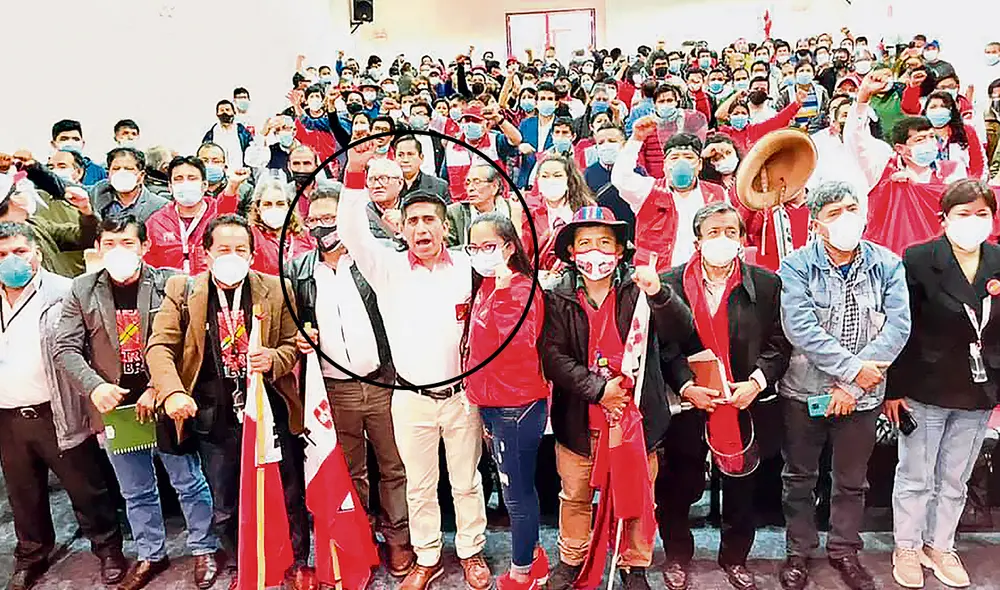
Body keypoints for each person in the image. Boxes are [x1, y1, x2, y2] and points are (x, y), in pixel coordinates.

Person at [339, 138, 492, 590]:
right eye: (413, 221)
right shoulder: (386, 268)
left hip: (462, 397)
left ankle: (471, 551)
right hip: (410, 399)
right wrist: (354, 171)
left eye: (429, 220)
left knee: (466, 482)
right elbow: (351, 229)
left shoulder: (467, 267)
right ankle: (427, 557)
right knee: (419, 485)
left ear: (446, 227)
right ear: (401, 228)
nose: (421, 228)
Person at [53, 215, 220, 590]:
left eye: (127, 243)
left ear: (145, 246)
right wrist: (95, 387)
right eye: (109, 244)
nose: (118, 251)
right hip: (116, 409)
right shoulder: (82, 289)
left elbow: (190, 343)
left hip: (165, 402)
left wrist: (160, 386)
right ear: (98, 248)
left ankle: (204, 547)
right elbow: (65, 347)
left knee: (188, 481)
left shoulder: (172, 283)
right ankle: (151, 553)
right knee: (135, 489)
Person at [146, 214, 305, 589]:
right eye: (223, 249)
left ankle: (297, 561)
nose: (232, 256)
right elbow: (159, 346)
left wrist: (275, 359)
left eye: (240, 249)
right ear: (206, 254)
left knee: (288, 492)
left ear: (251, 255)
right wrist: (173, 391)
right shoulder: (183, 290)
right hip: (212, 414)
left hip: (269, 409)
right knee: (225, 498)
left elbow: (292, 344)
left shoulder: (276, 288)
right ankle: (239, 562)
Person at [541, 206, 694, 590]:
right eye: (585, 243)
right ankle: (572, 558)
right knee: (574, 496)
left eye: (604, 243)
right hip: (579, 420)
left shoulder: (641, 288)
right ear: (572, 251)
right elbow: (553, 357)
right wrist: (598, 390)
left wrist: (659, 292)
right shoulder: (556, 296)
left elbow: (681, 330)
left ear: (620, 249)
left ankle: (634, 563)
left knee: (637, 496)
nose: (595, 252)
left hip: (637, 418)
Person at [777, 181, 911, 590]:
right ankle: (798, 551)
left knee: (852, 481)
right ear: (816, 223)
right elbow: (801, 329)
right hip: (804, 393)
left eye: (852, 209)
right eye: (834, 213)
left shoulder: (887, 264)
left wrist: (851, 388)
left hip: (863, 398)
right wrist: (853, 371)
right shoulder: (796, 266)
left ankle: (844, 550)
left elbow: (897, 328)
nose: (846, 219)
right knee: (799, 478)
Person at [656, 202, 791, 590]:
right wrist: (686, 385)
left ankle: (735, 558)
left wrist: (756, 383)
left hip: (742, 401)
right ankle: (677, 555)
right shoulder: (669, 284)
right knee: (679, 485)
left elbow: (780, 344)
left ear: (742, 239)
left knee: (741, 487)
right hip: (688, 402)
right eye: (713, 232)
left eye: (731, 232)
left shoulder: (766, 284)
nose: (722, 239)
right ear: (697, 241)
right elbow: (664, 346)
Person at [287, 185, 414, 577]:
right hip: (333, 389)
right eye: (316, 219)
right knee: (350, 471)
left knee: (394, 466)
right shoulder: (298, 270)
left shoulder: (371, 261)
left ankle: (398, 538)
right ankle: (360, 539)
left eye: (331, 217)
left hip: (382, 381)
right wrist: (300, 338)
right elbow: (291, 326)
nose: (323, 225)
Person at [884, 180, 1000, 589]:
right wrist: (893, 389)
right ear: (944, 218)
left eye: (982, 213)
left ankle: (940, 545)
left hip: (980, 387)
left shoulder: (998, 260)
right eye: (963, 213)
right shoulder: (918, 259)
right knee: (916, 475)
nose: (973, 221)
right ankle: (907, 547)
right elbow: (902, 329)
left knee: (954, 478)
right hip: (925, 385)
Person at [0, 221, 126, 590]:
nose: (11, 260)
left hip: (58, 410)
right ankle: (31, 555)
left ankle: (108, 550)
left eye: (20, 251)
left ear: (37, 253)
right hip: (8, 415)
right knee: (23, 493)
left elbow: (84, 349)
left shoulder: (64, 291)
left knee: (87, 489)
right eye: (2, 254)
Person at [463, 213, 549, 590]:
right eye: (474, 247)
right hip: (494, 402)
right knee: (517, 488)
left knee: (516, 493)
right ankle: (534, 558)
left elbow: (517, 344)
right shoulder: (487, 285)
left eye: (489, 246)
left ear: (510, 247)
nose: (481, 254)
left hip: (516, 405)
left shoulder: (518, 288)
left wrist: (501, 296)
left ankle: (522, 572)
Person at [846, 71, 968, 255]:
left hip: (939, 259)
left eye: (931, 137)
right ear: (900, 148)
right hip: (890, 258)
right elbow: (856, 139)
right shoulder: (882, 171)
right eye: (920, 139)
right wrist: (863, 98)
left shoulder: (952, 172)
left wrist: (916, 186)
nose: (929, 143)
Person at [612, 123, 726, 272]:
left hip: (702, 275)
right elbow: (620, 178)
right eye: (674, 158)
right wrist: (636, 139)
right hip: (657, 277)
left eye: (688, 157)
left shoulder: (716, 194)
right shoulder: (648, 191)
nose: (681, 163)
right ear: (664, 165)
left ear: (699, 165)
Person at [0, 168, 98, 278]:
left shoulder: (35, 224)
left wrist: (86, 212)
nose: (25, 195)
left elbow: (84, 238)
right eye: (18, 193)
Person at [522, 155, 595, 282]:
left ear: (569, 179)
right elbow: (521, 251)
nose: (551, 181)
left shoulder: (587, 209)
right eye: (545, 176)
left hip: (576, 279)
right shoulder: (527, 210)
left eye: (557, 175)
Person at [143, 156, 220, 274]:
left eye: (192, 178)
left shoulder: (218, 214)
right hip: (169, 284)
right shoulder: (156, 223)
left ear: (204, 185)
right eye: (178, 179)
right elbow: (148, 267)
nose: (185, 184)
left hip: (211, 283)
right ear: (170, 187)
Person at [233, 178, 314, 276]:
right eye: (267, 204)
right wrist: (232, 187)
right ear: (258, 208)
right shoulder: (251, 235)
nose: (274, 209)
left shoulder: (304, 235)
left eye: (280, 204)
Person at [808, 98, 871, 211]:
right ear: (834, 120)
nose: (850, 120)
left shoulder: (879, 148)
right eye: (846, 115)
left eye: (854, 116)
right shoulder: (816, 142)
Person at [637, 85, 710, 179]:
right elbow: (640, 152)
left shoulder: (688, 119)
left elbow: (704, 120)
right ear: (655, 104)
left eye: (669, 100)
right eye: (661, 101)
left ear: (676, 102)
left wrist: (699, 94)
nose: (666, 104)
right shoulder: (647, 124)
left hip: (684, 176)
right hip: (654, 179)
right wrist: (645, 175)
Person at [584, 125, 640, 242]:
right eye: (601, 142)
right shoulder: (588, 174)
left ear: (624, 144)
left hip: (633, 235)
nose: (606, 145)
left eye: (612, 141)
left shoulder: (636, 171)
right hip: (602, 237)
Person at [920, 91, 988, 180]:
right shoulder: (919, 134)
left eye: (943, 106)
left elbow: (978, 161)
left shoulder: (966, 131)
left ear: (951, 110)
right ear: (926, 111)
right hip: (927, 185)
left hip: (962, 185)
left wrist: (975, 182)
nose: (938, 110)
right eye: (933, 107)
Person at [90, 147, 169, 223]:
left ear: (141, 175)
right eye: (116, 168)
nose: (121, 173)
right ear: (108, 174)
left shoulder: (159, 206)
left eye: (128, 169)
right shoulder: (97, 193)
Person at [446, 164, 514, 247]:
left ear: (494, 187)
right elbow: (448, 249)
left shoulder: (513, 209)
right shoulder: (454, 213)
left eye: (477, 182)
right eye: (468, 183)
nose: (470, 188)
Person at [517, 82, 560, 188]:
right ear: (536, 103)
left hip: (551, 182)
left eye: (550, 99)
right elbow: (513, 148)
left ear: (556, 104)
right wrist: (520, 147)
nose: (546, 102)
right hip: (526, 181)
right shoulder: (525, 124)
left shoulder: (561, 127)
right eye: (542, 99)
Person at [50, 119, 107, 186]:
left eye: (76, 139)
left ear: (82, 143)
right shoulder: (47, 170)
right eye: (64, 139)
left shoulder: (98, 171)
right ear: (53, 144)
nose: (70, 142)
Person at [395, 134, 450, 203]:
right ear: (394, 158)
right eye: (400, 155)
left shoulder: (439, 186)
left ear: (421, 158)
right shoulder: (387, 185)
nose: (405, 160)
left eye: (410, 154)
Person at [777, 61, 829, 132]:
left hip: (816, 131)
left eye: (808, 71)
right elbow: (779, 113)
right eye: (801, 71)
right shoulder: (786, 93)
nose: (805, 73)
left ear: (813, 74)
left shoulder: (821, 91)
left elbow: (826, 111)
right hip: (793, 132)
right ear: (795, 74)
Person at [202, 100, 253, 168]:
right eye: (221, 110)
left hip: (239, 171)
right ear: (217, 114)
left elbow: (251, 154)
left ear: (234, 112)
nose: (224, 112)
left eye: (227, 110)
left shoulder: (243, 133)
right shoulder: (211, 135)